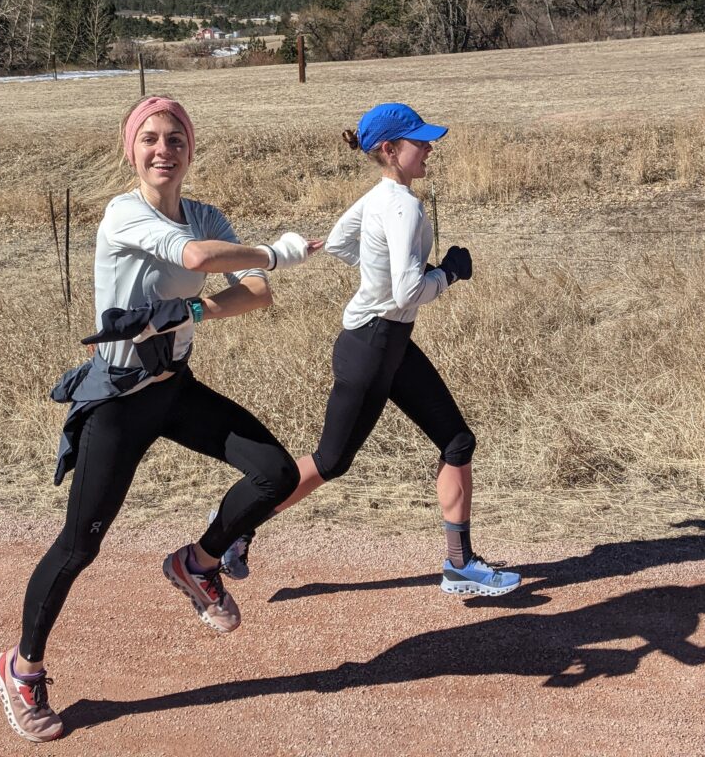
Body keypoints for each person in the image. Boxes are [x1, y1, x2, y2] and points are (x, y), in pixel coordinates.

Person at [0, 95, 322, 743]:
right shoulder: (124, 214)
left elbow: (255, 291)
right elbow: (201, 261)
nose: (163, 150)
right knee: (80, 545)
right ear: (130, 149)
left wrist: (191, 315)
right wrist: (275, 251)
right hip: (117, 400)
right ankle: (21, 667)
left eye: (175, 139)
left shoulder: (202, 214)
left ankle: (197, 564)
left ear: (190, 150)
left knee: (275, 473)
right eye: (150, 138)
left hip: (174, 388)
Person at [217, 103, 521, 600]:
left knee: (457, 441)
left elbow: (339, 243)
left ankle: (460, 565)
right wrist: (448, 274)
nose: (428, 147)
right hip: (374, 346)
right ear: (389, 150)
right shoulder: (402, 205)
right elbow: (406, 293)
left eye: (426, 139)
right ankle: (234, 523)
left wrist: (377, 271)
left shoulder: (382, 194)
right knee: (331, 461)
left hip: (387, 342)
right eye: (419, 141)